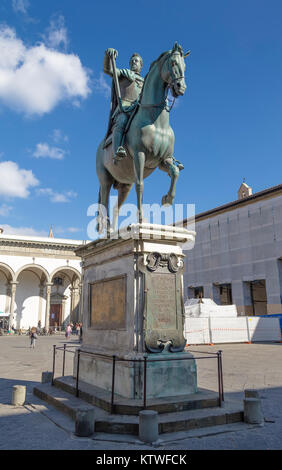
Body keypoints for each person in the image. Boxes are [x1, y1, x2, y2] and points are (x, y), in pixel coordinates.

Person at [103, 48, 144, 163]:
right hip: (125, 107)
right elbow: (108, 70)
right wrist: (108, 56)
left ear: (141, 65)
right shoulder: (124, 73)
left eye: (136, 61)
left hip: (139, 107)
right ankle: (117, 150)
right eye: (131, 61)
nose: (133, 63)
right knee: (121, 120)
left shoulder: (145, 81)